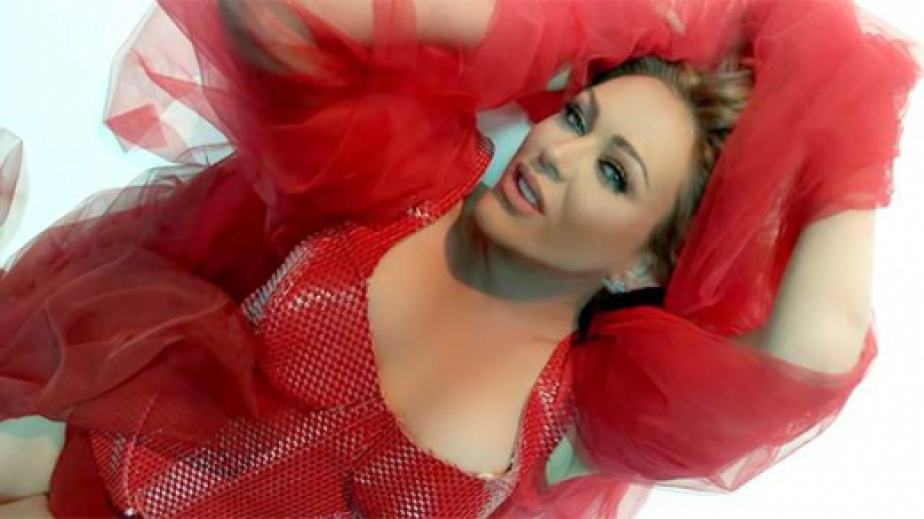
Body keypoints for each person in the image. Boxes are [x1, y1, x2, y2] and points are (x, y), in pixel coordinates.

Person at [0, 0, 919, 517]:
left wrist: (851, 103)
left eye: (612, 171)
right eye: (577, 117)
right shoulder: (409, 179)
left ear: (642, 263)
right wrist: (573, 24)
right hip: (52, 463)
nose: (557, 152)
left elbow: (818, 348)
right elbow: (272, 13)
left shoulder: (585, 418)